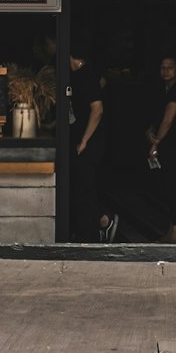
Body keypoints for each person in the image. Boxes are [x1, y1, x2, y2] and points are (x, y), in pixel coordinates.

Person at [67, 36, 118, 242]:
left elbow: (97, 109)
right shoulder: (79, 75)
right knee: (81, 186)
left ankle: (102, 222)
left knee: (84, 187)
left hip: (90, 142)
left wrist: (85, 140)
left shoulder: (86, 75)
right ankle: (92, 226)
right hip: (84, 139)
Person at [145, 53, 176, 243]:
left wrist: (155, 143)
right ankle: (172, 231)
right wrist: (150, 132)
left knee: (175, 187)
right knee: (170, 187)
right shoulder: (164, 90)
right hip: (169, 144)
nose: (166, 71)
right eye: (163, 67)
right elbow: (159, 118)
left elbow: (169, 119)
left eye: (170, 67)